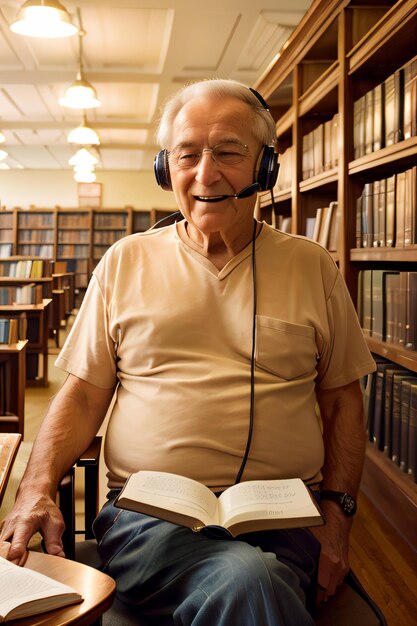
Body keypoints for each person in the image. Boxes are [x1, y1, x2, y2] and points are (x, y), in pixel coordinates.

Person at [0, 79, 375, 625]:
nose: (205, 173)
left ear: (265, 167)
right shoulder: (124, 263)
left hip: (286, 516)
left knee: (253, 578)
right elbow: (80, 396)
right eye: (187, 154)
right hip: (147, 519)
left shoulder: (313, 266)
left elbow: (343, 401)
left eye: (228, 152)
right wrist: (34, 489)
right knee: (252, 581)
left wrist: (338, 521)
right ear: (164, 168)